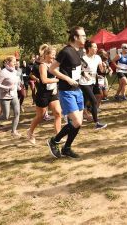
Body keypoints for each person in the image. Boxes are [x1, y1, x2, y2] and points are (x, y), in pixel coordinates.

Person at [47, 26, 87, 159]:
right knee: (76, 122)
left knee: (78, 123)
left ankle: (67, 148)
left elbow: (74, 69)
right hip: (67, 92)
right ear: (75, 37)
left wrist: (83, 74)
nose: (85, 38)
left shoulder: (79, 51)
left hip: (77, 90)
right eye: (83, 35)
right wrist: (67, 79)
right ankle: (54, 140)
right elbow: (52, 69)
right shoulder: (65, 51)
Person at [27, 44, 62, 144]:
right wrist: (57, 80)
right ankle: (30, 132)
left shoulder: (54, 65)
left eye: (55, 55)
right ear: (46, 55)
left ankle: (58, 136)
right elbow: (44, 80)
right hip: (43, 94)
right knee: (40, 116)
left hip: (53, 93)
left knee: (58, 113)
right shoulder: (42, 65)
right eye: (52, 55)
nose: (54, 57)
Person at [79, 40, 107, 130]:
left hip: (93, 81)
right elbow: (78, 70)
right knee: (93, 101)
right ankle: (96, 123)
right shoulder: (83, 58)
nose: (96, 48)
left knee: (86, 100)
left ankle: (78, 115)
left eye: (96, 47)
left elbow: (101, 71)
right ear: (89, 48)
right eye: (94, 47)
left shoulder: (98, 57)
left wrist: (104, 66)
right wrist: (84, 74)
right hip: (84, 82)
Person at [0, 56, 21, 138]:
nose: (15, 63)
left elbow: (15, 81)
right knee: (6, 116)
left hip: (14, 95)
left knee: (17, 113)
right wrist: (7, 88)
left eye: (15, 61)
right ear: (8, 62)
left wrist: (18, 87)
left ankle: (14, 131)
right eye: (13, 61)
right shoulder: (3, 72)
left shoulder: (15, 71)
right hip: (4, 96)